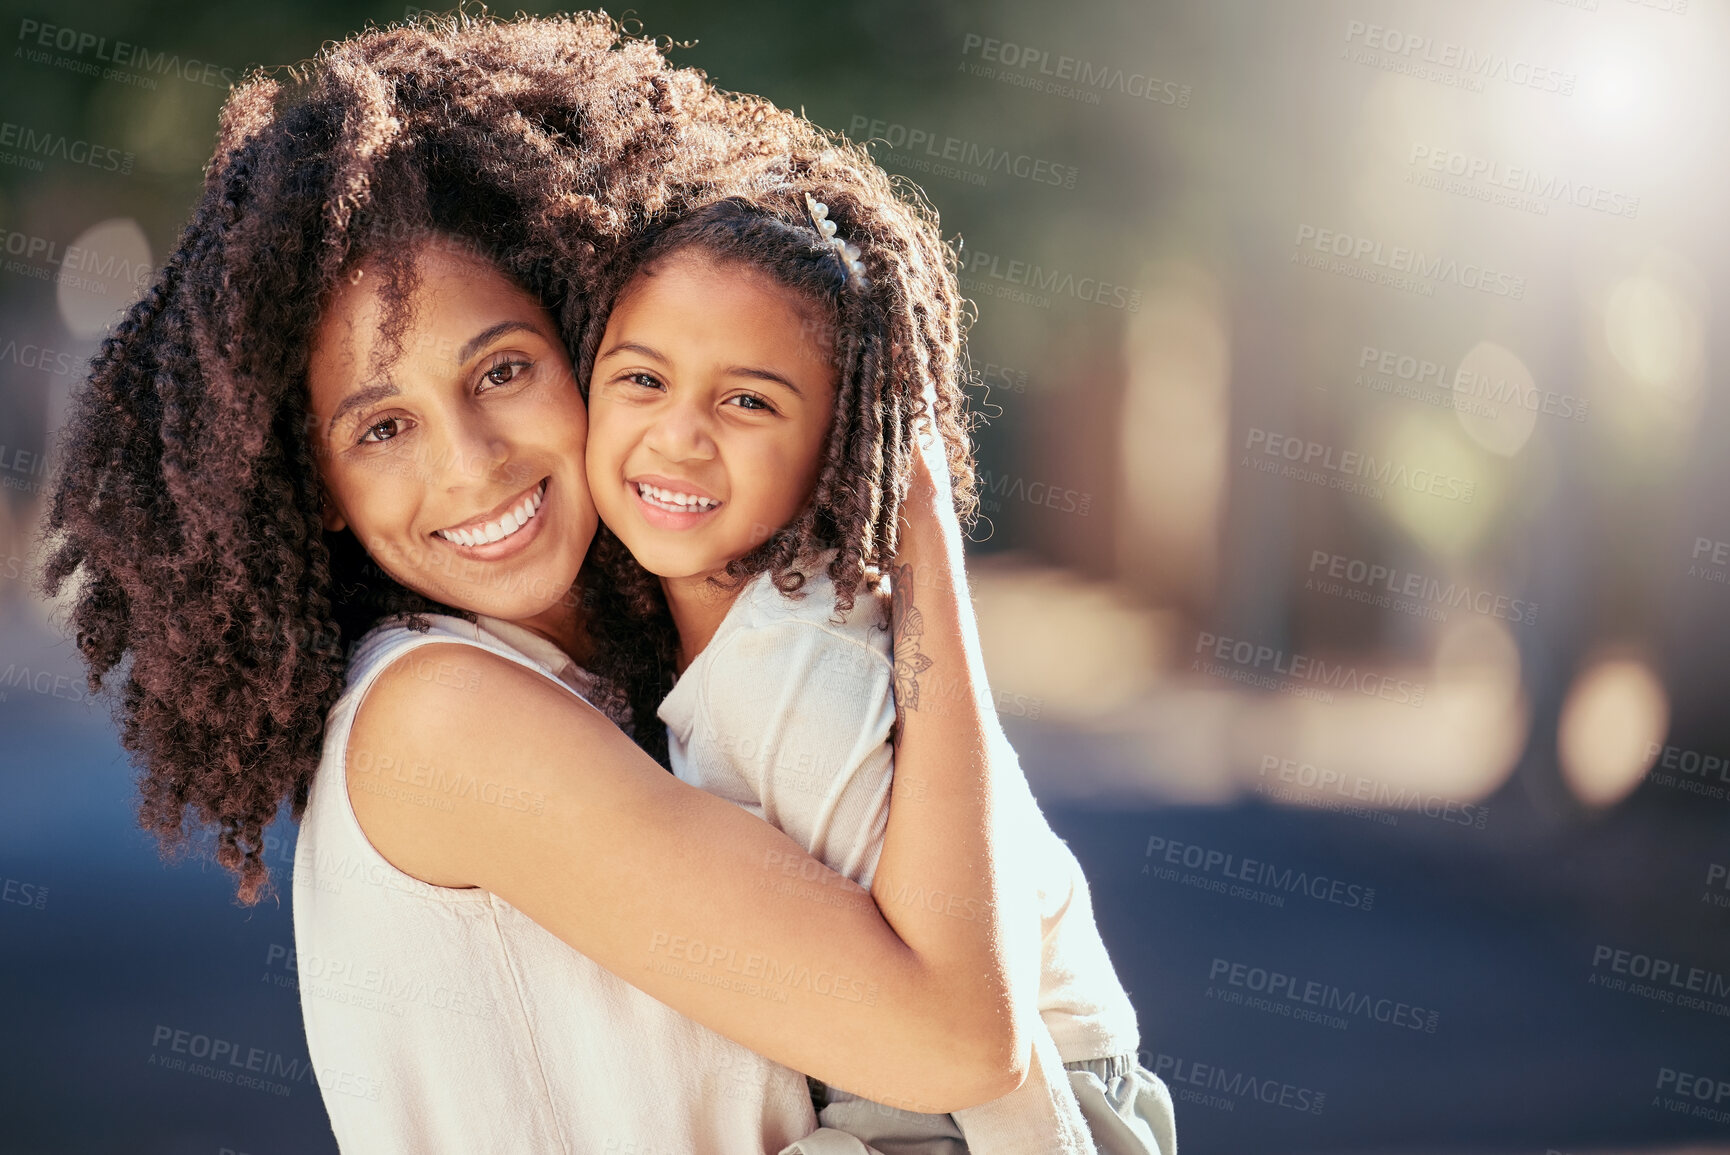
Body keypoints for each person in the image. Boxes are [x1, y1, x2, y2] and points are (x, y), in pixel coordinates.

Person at [39, 14, 1043, 1153]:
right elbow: (956, 1041)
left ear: (582, 338)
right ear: (312, 485)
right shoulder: (440, 719)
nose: (469, 464)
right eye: (382, 428)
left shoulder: (612, 682)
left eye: (502, 369)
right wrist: (917, 529)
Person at [578, 192, 1177, 1155]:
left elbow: (989, 1031)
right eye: (642, 378)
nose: (680, 434)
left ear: (840, 443)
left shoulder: (803, 672)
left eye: (748, 400)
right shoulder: (721, 624)